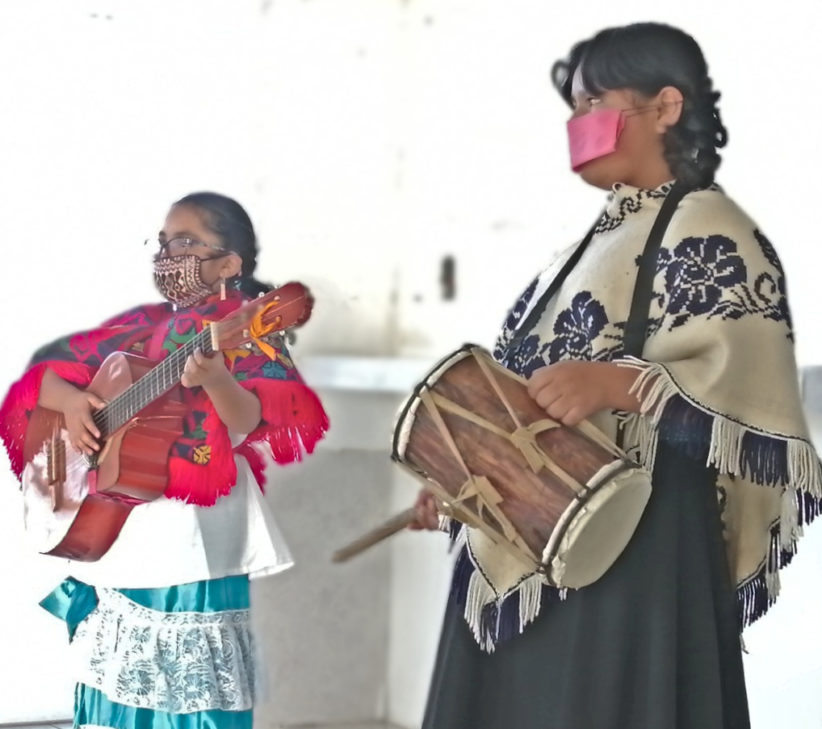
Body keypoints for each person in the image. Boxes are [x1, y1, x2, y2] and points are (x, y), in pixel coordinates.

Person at [412, 22, 821, 729]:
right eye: (572, 109)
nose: (577, 124)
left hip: (640, 535)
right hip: (536, 524)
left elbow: (750, 375)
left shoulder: (716, 227)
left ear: (666, 107)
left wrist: (617, 384)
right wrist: (462, 475)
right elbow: (515, 385)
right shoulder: (579, 249)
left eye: (594, 102)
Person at [0, 192, 329, 728]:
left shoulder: (245, 327)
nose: (167, 255)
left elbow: (249, 421)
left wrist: (217, 379)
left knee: (188, 672)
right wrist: (74, 403)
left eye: (185, 242)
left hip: (194, 527)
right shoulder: (140, 326)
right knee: (121, 672)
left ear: (229, 264)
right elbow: (46, 380)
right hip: (124, 523)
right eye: (162, 242)